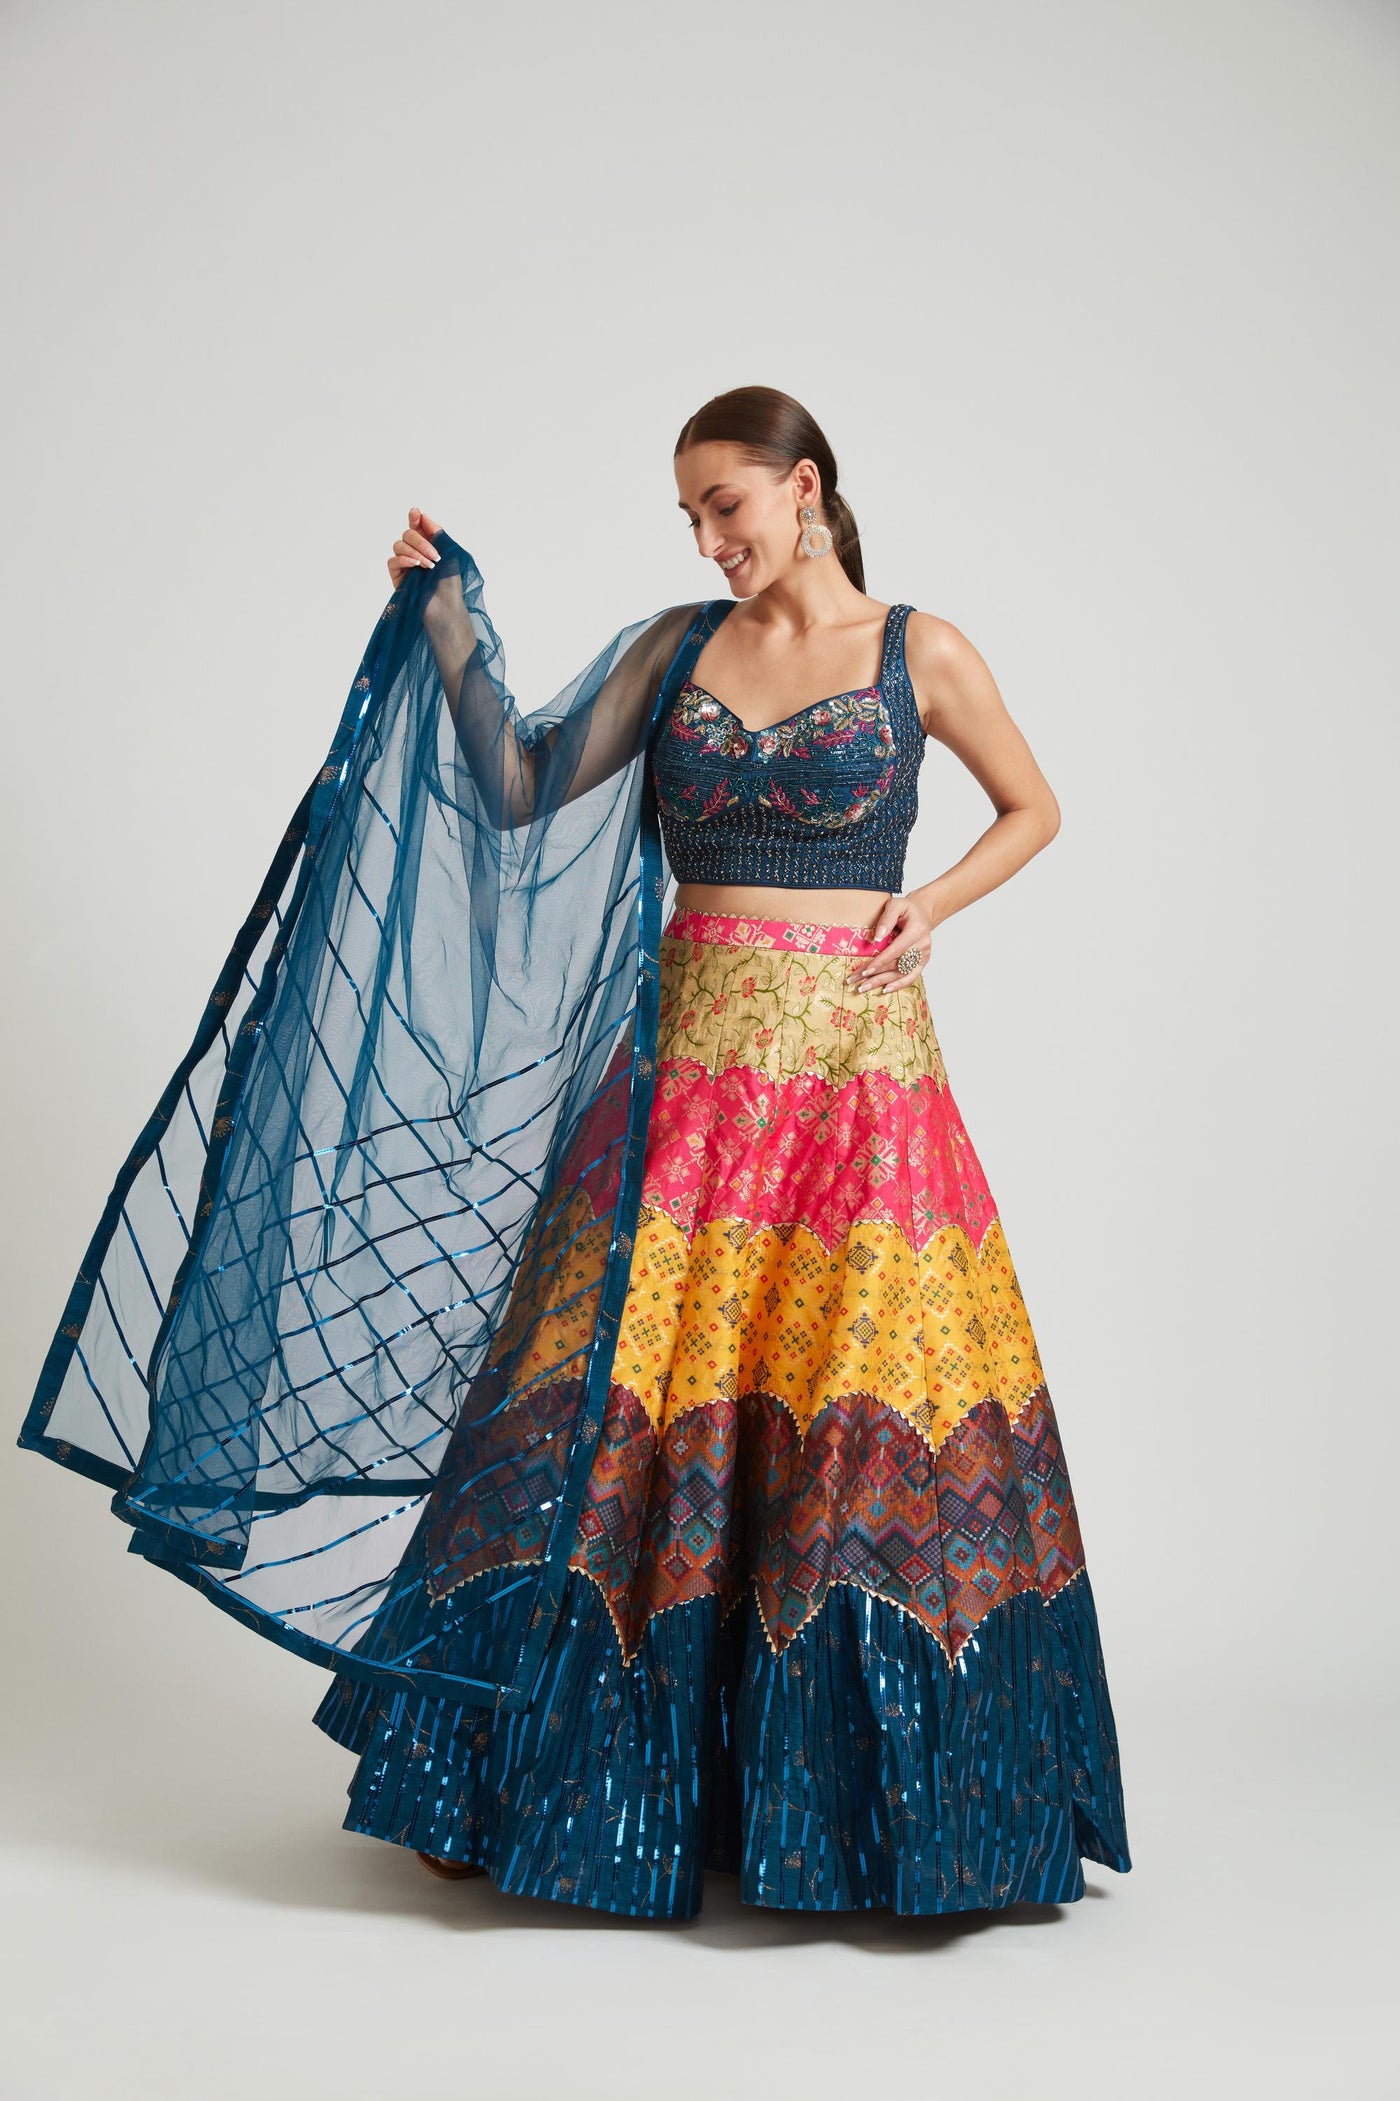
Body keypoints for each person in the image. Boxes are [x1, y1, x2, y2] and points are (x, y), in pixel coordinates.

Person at [20, 385, 1129, 1919]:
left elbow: (1036, 806)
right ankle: (521, 1770)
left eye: (726, 505)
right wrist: (446, 621)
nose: (708, 538)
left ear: (805, 488)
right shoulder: (673, 650)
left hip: (856, 1093)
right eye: (689, 516)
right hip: (685, 1091)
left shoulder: (918, 651)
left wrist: (930, 901)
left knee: (853, 1424)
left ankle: (876, 1818)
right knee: (612, 1415)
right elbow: (518, 780)